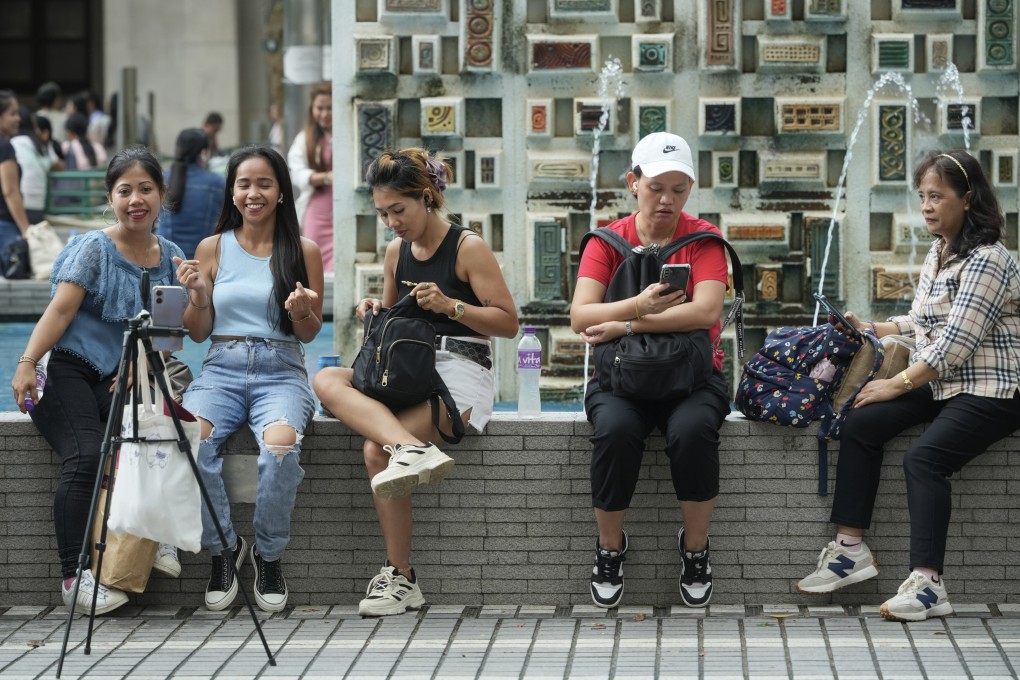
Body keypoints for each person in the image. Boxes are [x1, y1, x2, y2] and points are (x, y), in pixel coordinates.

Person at [797, 151, 1020, 622]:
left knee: (925, 458)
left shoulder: (989, 260)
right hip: (940, 384)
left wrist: (896, 384)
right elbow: (921, 323)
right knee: (860, 421)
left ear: (969, 197)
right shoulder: (940, 252)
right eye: (923, 196)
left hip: (991, 388)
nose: (927, 206)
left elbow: (956, 343)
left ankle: (929, 586)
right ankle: (849, 550)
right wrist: (872, 328)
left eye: (937, 196)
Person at [313, 147, 518, 616]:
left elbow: (509, 323)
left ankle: (401, 578)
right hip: (407, 368)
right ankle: (411, 448)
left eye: (398, 210)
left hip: (460, 371)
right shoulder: (394, 251)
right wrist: (373, 311)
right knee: (325, 378)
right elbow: (394, 323)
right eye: (383, 213)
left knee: (373, 450)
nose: (391, 222)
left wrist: (452, 307)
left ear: (427, 197)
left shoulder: (468, 247)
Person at [10, 146, 186, 615]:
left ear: (161, 195)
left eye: (145, 189)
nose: (135, 199)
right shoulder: (94, 248)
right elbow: (61, 311)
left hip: (123, 375)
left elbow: (167, 338)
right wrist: (27, 361)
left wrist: (138, 371)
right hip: (65, 368)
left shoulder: (171, 257)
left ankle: (161, 537)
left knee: (162, 431)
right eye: (124, 190)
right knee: (87, 454)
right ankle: (75, 577)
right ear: (111, 198)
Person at [570, 132, 731, 610]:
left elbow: (706, 313)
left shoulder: (703, 239)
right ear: (633, 182)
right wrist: (638, 304)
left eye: (679, 189)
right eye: (657, 186)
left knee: (694, 429)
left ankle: (696, 549)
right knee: (616, 430)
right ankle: (610, 548)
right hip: (618, 380)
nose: (667, 199)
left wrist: (625, 320)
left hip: (694, 379)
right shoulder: (607, 240)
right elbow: (580, 316)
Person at [175, 146, 324, 613]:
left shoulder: (303, 251)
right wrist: (199, 296)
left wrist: (302, 313)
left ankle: (268, 553)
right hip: (221, 366)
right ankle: (223, 548)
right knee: (189, 439)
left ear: (281, 191)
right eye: (244, 183)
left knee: (279, 447)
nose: (253, 193)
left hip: (282, 368)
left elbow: (310, 329)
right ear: (232, 191)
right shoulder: (212, 247)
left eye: (264, 183)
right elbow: (198, 333)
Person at [287, 83, 334, 272]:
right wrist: (325, 178)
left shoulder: (350, 133)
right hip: (318, 208)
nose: (324, 114)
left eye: (329, 108)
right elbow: (296, 173)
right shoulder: (304, 138)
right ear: (312, 109)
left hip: (345, 208)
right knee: (315, 262)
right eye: (319, 108)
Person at [159, 128, 226, 258]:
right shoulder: (215, 182)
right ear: (203, 152)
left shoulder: (162, 178)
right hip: (201, 258)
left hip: (164, 255)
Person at [11, 106, 57, 224]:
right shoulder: (40, 144)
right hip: (38, 207)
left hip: (19, 207)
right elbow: (55, 164)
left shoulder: (12, 144)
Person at [0, 91, 31, 262]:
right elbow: (10, 192)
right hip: (4, 226)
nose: (18, 119)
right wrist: (26, 229)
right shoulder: (4, 146)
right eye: (12, 113)